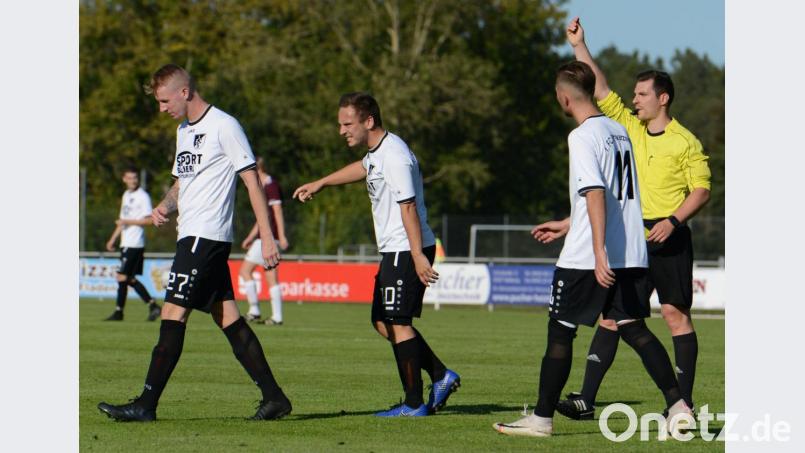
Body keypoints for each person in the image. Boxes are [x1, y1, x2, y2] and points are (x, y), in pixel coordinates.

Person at [493, 61, 690, 438]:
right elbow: (613, 197)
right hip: (631, 251)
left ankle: (541, 419)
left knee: (560, 331)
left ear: (565, 98)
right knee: (634, 328)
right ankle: (679, 406)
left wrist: (596, 250)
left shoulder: (581, 137)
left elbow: (597, 193)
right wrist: (569, 222)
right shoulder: (619, 131)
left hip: (588, 257)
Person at [98, 64, 291, 422]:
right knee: (228, 317)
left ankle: (146, 404)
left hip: (208, 237)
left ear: (185, 92)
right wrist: (165, 206)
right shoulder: (183, 131)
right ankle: (274, 397)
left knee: (172, 313)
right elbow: (181, 183)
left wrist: (267, 237)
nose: (162, 108)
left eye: (164, 100)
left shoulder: (225, 125)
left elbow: (252, 182)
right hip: (191, 235)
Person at [554, 17, 712, 420]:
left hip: (670, 235)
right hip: (631, 237)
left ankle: (683, 403)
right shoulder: (628, 128)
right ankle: (586, 399)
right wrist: (579, 47)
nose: (634, 99)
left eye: (642, 94)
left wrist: (673, 221)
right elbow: (599, 88)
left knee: (675, 316)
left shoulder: (686, 140)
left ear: (664, 99)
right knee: (614, 319)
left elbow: (702, 189)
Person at [293, 92, 460, 417]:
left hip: (406, 248)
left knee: (398, 322)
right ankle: (440, 375)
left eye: (347, 123)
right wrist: (322, 182)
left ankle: (414, 404)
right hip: (397, 248)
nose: (342, 130)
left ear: (368, 121)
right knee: (382, 321)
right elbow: (363, 168)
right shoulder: (377, 153)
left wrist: (417, 256)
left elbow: (408, 207)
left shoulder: (395, 155)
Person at [104, 167, 161, 321]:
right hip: (125, 242)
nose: (132, 180)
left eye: (135, 177)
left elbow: (149, 220)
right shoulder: (126, 195)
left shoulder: (143, 196)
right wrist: (112, 239)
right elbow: (122, 221)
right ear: (124, 179)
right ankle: (151, 306)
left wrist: (127, 222)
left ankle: (120, 312)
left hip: (135, 243)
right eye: (129, 178)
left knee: (121, 277)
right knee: (128, 278)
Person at [239, 156, 289, 325]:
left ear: (257, 169)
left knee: (248, 271)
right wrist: (250, 236)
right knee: (267, 275)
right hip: (263, 238)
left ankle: (257, 311)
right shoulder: (262, 186)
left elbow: (277, 211)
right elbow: (262, 217)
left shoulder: (270, 185)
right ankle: (275, 316)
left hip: (268, 239)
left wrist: (281, 236)